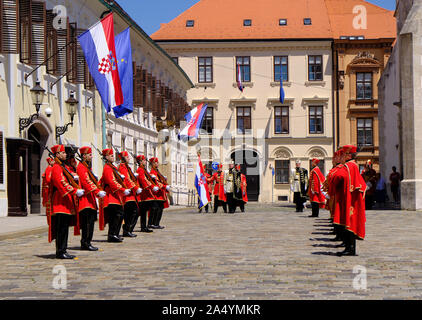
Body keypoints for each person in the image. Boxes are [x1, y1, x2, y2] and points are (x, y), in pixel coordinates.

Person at [48, 144, 85, 259]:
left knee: (64, 227)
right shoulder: (56, 167)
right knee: (61, 228)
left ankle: (63, 250)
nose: (65, 154)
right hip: (60, 201)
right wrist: (75, 191)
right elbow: (61, 183)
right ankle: (60, 251)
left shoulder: (62, 166)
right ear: (57, 154)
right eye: (63, 153)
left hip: (65, 201)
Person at [332, 145, 367, 256]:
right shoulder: (350, 166)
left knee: (349, 224)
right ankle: (348, 247)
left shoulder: (349, 166)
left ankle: (350, 248)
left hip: (350, 201)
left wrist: (336, 170)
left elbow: (338, 177)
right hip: (346, 199)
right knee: (346, 223)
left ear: (348, 156)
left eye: (343, 155)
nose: (341, 157)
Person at [76, 146, 106, 251]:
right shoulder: (81, 167)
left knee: (91, 222)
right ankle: (85, 242)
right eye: (89, 154)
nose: (91, 156)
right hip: (85, 201)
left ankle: (88, 241)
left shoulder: (87, 167)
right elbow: (86, 182)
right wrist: (97, 192)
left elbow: (91, 181)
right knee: (87, 223)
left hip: (90, 199)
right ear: (84, 156)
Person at [99, 148, 131, 243]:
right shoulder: (107, 168)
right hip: (111, 196)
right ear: (107, 157)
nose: (113, 157)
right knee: (115, 216)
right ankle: (112, 235)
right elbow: (111, 182)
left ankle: (115, 234)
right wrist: (122, 189)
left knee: (119, 215)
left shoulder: (112, 167)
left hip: (116, 196)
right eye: (111, 156)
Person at [118, 151, 142, 238]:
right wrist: (135, 188)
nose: (129, 158)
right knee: (131, 212)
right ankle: (127, 230)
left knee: (133, 212)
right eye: (127, 157)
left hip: (131, 194)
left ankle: (128, 230)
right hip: (127, 195)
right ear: (123, 158)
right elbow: (127, 180)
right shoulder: (123, 168)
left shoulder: (127, 167)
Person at [135, 155, 155, 233]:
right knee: (143, 212)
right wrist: (150, 186)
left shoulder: (143, 169)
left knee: (145, 211)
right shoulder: (140, 170)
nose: (145, 162)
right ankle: (144, 226)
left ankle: (145, 226)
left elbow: (147, 179)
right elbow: (143, 180)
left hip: (146, 192)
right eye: (143, 160)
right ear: (140, 162)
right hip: (144, 193)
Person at [149, 157, 170, 229]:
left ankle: (157, 223)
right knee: (155, 209)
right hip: (156, 194)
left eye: (157, 162)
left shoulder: (157, 171)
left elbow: (160, 180)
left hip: (160, 194)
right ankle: (152, 223)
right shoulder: (152, 172)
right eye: (155, 162)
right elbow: (157, 182)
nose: (157, 164)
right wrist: (164, 186)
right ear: (152, 164)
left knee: (160, 209)